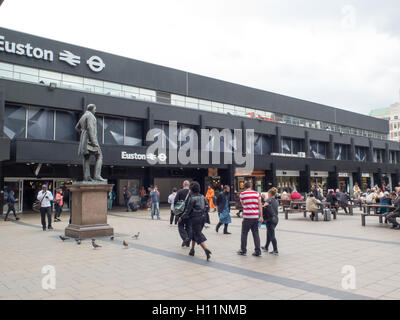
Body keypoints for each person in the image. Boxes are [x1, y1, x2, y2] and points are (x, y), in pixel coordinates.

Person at [179, 181, 212, 261]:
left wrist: (181, 217)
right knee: (194, 233)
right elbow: (207, 207)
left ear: (192, 190)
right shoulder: (202, 197)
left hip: (195, 218)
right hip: (203, 217)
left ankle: (206, 250)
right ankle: (192, 250)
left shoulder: (192, 198)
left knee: (197, 234)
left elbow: (187, 210)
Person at [238, 181, 263, 257]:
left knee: (244, 233)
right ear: (251, 186)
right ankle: (258, 251)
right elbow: (260, 205)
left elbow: (243, 204)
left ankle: (243, 250)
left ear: (244, 187)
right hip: (255, 217)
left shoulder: (242, 194)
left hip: (247, 217)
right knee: (256, 234)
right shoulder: (256, 194)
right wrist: (261, 216)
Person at [262, 188, 279, 255]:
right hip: (276, 219)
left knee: (272, 235)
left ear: (269, 194)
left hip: (270, 219)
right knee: (269, 233)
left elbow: (264, 206)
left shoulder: (268, 200)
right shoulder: (276, 201)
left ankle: (275, 250)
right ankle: (266, 247)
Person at [174, 180, 192, 247]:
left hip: (181, 213)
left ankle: (185, 238)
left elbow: (175, 201)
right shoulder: (191, 192)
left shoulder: (180, 191)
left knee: (180, 226)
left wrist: (177, 214)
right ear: (189, 185)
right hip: (189, 213)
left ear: (183, 185)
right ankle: (188, 242)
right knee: (189, 227)